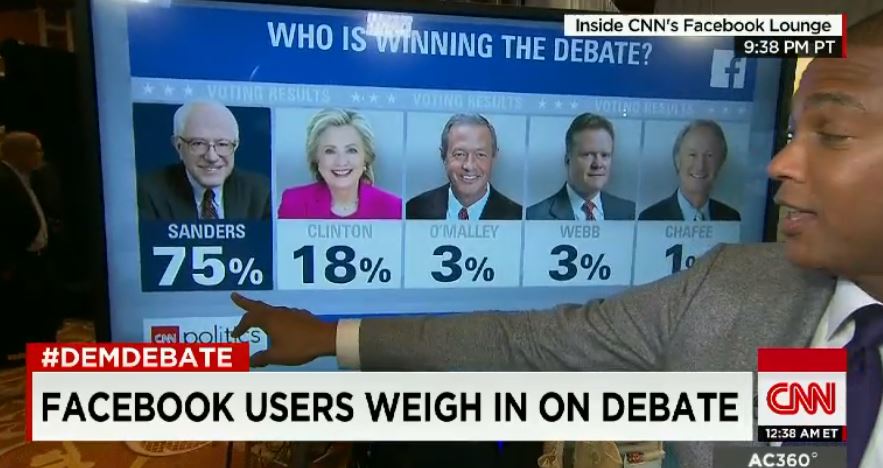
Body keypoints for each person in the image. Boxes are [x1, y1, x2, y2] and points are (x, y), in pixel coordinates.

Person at [229, 13, 883, 468]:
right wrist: (330, 337)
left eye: (830, 134)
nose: (779, 163)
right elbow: (530, 343)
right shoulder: (733, 286)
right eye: (791, 134)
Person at [137, 100, 271, 221]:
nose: (212, 157)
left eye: (222, 144)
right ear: (178, 146)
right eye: (198, 143)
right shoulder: (149, 193)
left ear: (235, 146)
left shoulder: (260, 193)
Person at [277, 108, 402, 220]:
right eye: (330, 151)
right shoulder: (294, 203)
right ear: (316, 159)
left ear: (366, 158)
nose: (341, 161)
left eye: (351, 150)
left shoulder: (393, 208)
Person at [0, 132, 58, 363]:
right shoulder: (3, 180)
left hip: (38, 259)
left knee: (43, 311)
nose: (41, 155)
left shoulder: (31, 178)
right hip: (17, 261)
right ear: (19, 153)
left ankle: (43, 354)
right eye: (37, 150)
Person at [406, 113, 522, 221]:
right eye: (460, 154)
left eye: (480, 155)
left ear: (494, 157)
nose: (469, 165)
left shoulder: (517, 217)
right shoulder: (414, 210)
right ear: (443, 156)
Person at [527, 113, 636, 221]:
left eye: (604, 155)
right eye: (588, 155)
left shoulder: (629, 213)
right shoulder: (535, 217)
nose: (598, 164)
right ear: (567, 159)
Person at [639, 120, 740, 221]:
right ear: (677, 160)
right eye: (692, 155)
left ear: (721, 162)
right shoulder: (650, 219)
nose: (700, 166)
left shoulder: (732, 218)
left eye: (709, 155)